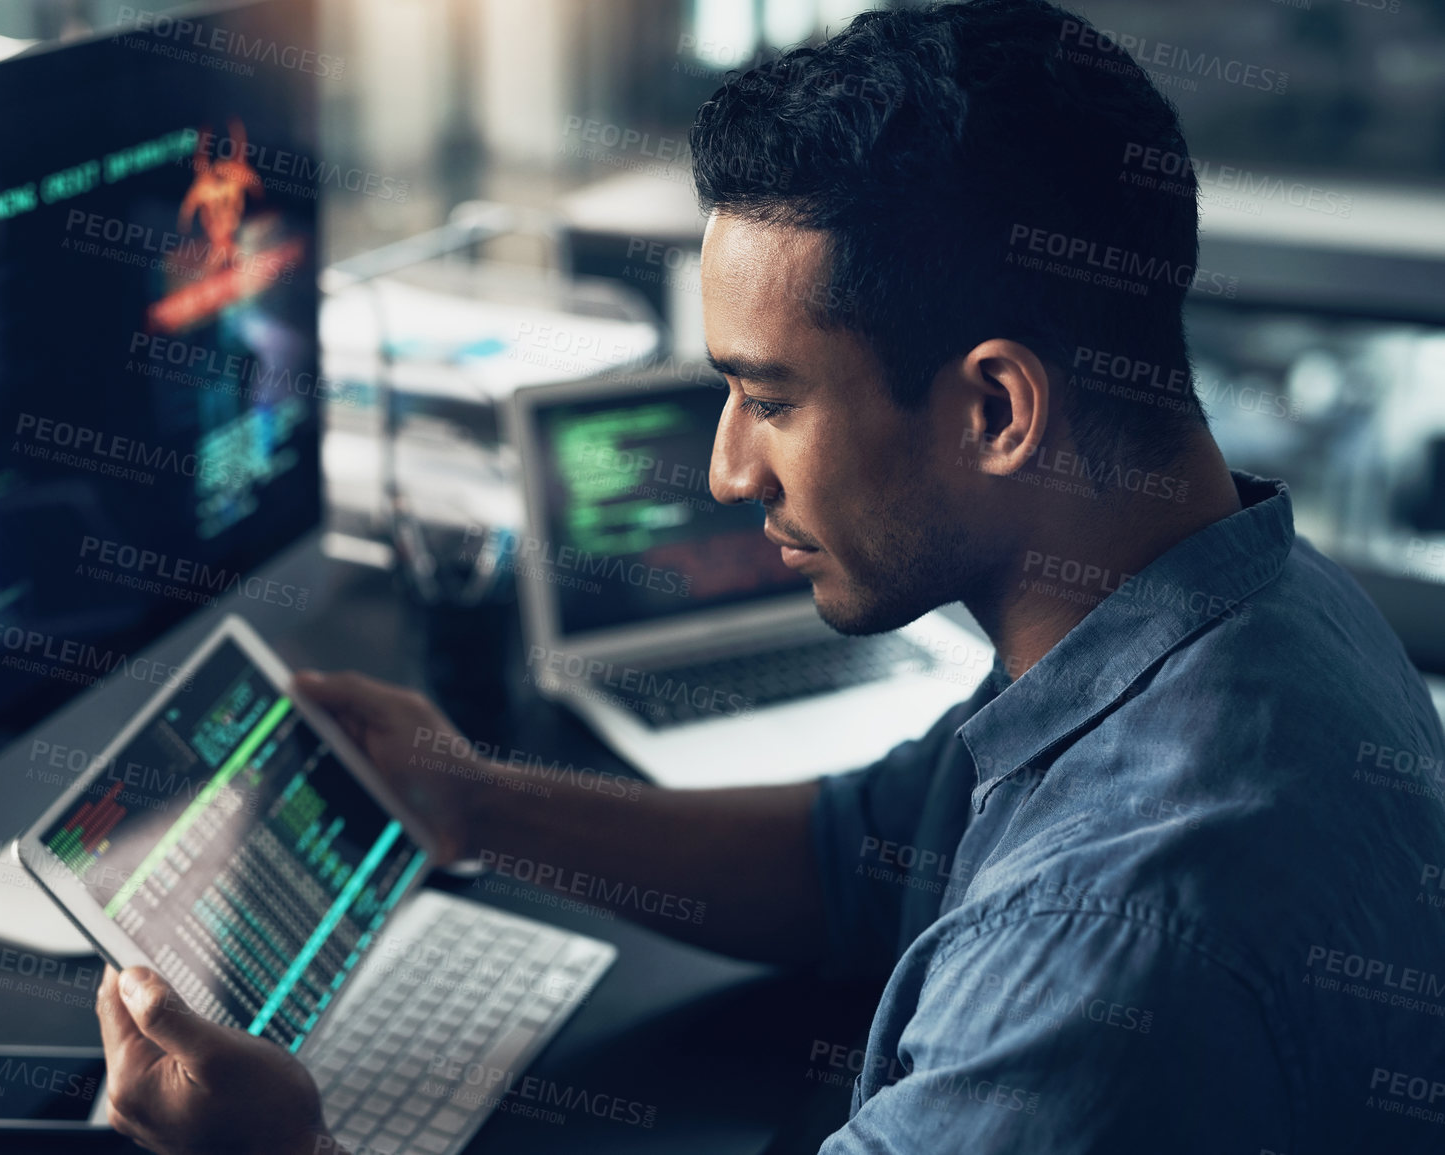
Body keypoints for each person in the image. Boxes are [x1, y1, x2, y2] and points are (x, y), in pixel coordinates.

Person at [95, 0, 1445, 1151]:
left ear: (995, 412)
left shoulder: (1108, 957)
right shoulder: (1250, 600)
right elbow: (864, 857)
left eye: (770, 398)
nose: (731, 472)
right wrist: (468, 799)